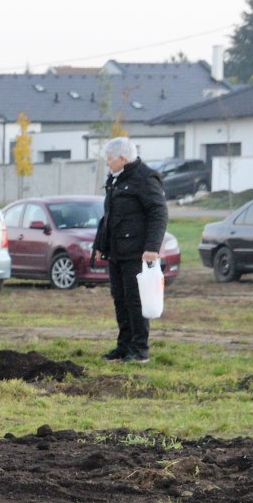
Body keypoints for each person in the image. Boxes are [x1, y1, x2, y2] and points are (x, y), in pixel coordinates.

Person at [90, 136, 167, 364]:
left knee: (135, 302)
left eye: (109, 160)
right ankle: (123, 347)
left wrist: (152, 248)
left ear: (122, 158)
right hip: (117, 252)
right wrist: (99, 245)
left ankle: (139, 350)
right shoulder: (116, 179)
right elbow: (109, 216)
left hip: (136, 252)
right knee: (120, 300)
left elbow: (158, 213)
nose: (108, 164)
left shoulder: (144, 178)